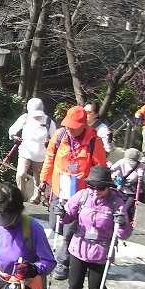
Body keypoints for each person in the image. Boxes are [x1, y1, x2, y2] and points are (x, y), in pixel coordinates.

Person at [40, 106, 108, 279]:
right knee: (56, 223)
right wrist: (43, 180)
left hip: (81, 193)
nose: (69, 128)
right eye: (68, 124)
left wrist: (95, 189)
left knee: (70, 228)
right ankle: (70, 249)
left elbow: (100, 168)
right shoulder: (60, 135)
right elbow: (50, 158)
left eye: (73, 126)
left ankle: (63, 263)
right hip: (59, 188)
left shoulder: (94, 141)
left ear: (83, 125)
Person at [59, 165, 132, 289]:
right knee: (74, 285)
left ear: (108, 187)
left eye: (100, 187)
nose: (95, 190)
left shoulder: (116, 203)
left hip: (101, 253)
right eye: (91, 186)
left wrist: (123, 223)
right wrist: (62, 213)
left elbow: (124, 234)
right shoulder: (82, 196)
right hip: (78, 248)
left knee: (95, 286)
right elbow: (68, 217)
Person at [8, 97, 56, 204]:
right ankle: (21, 196)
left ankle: (36, 197)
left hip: (41, 155)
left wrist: (50, 144)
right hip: (25, 152)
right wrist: (14, 136)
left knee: (38, 179)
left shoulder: (49, 121)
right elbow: (12, 130)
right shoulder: (25, 118)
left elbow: (55, 138)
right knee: (20, 174)